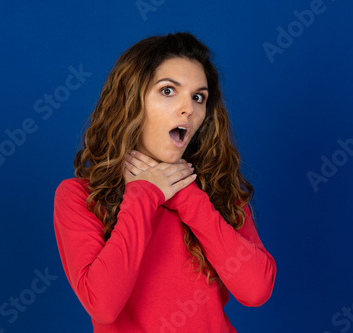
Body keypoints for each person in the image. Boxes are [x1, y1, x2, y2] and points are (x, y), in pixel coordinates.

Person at [53, 32, 276, 332]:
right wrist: (144, 193)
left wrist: (186, 197)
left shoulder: (220, 191)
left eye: (199, 97)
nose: (188, 108)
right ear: (131, 100)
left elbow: (256, 290)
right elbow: (103, 305)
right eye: (168, 91)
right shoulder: (80, 197)